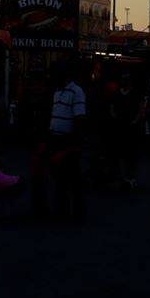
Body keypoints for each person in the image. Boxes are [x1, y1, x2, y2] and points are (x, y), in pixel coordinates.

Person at [48, 62, 87, 222]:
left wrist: (73, 142)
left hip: (68, 139)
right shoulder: (57, 92)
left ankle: (76, 212)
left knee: (73, 177)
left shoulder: (76, 91)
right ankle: (61, 211)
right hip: (56, 138)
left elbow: (79, 117)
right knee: (59, 176)